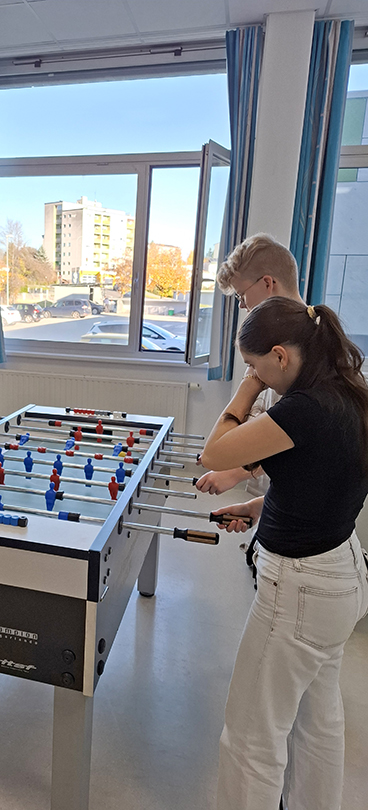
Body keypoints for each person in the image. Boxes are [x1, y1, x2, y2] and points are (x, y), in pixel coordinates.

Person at [200, 297, 368, 810]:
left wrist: (247, 387)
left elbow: (217, 451)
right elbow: (319, 482)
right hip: (341, 574)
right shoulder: (349, 394)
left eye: (256, 365)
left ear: (280, 355)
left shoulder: (303, 408)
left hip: (299, 589)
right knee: (318, 724)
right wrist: (256, 509)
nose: (255, 376)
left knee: (251, 737)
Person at [196, 234, 304, 499]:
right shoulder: (273, 338)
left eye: (241, 295)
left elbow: (299, 436)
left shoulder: (305, 349)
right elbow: (264, 415)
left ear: (267, 283)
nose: (242, 305)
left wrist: (235, 470)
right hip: (274, 497)